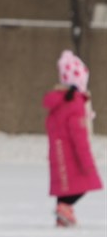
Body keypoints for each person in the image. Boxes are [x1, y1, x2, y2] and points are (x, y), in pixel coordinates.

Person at [44, 50, 102, 227]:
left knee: (65, 186)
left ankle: (63, 213)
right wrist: (86, 161)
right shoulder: (75, 104)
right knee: (85, 183)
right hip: (72, 155)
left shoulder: (62, 102)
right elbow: (79, 135)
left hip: (60, 154)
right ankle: (64, 209)